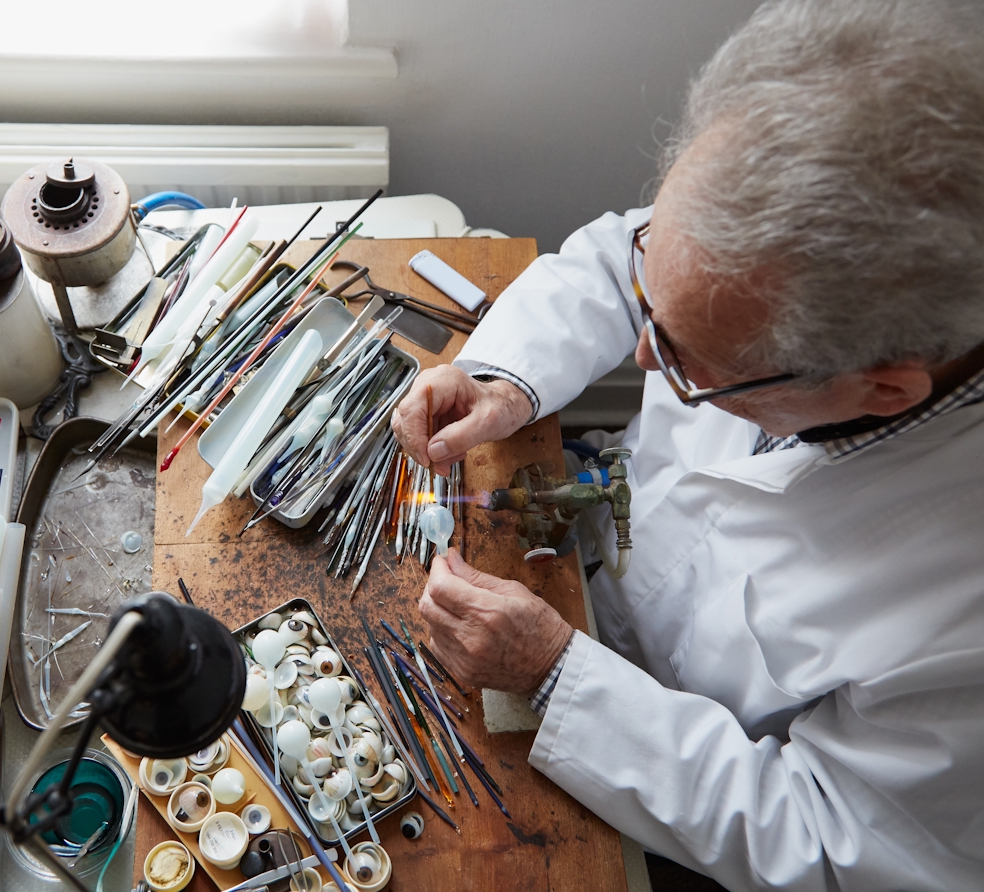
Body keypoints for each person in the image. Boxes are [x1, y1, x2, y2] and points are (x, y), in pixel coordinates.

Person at [390, 1, 984, 888]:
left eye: (685, 355)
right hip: (588, 551)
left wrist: (558, 681)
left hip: (667, 791)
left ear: (886, 387)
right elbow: (620, 269)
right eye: (651, 299)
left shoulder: (959, 613)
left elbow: (829, 842)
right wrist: (503, 377)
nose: (641, 355)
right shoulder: (780, 217)